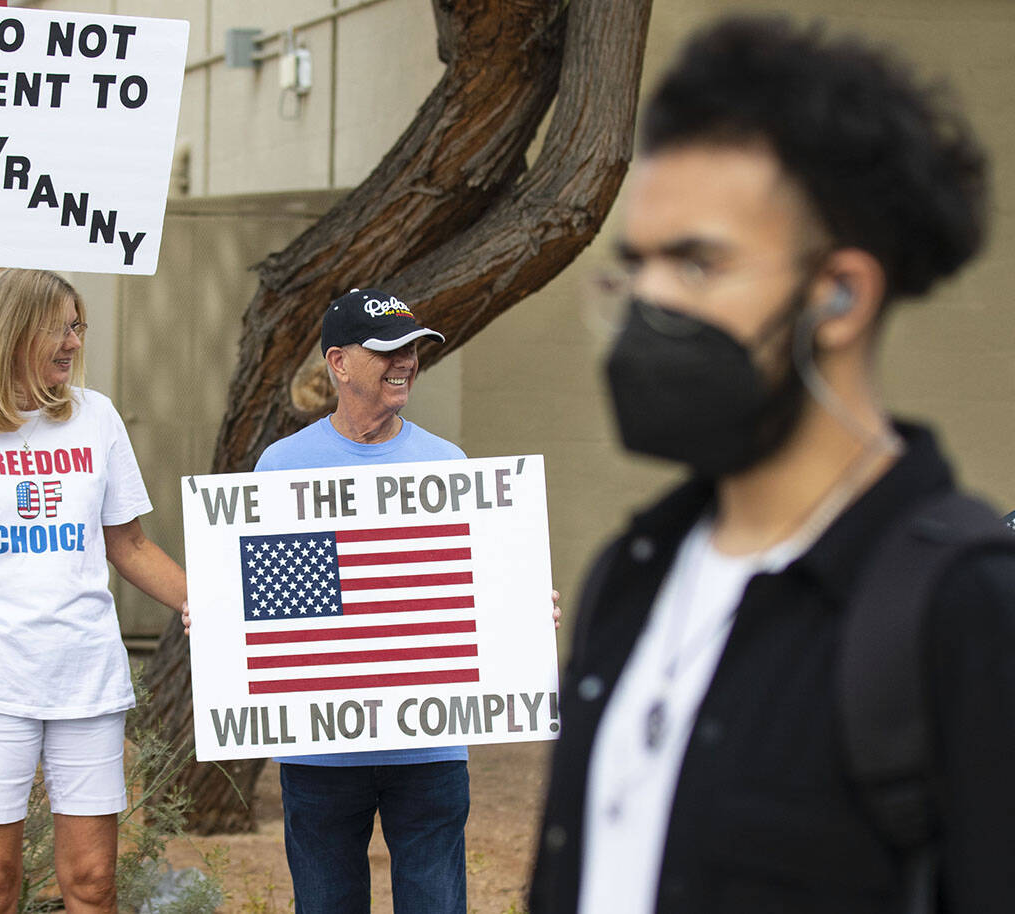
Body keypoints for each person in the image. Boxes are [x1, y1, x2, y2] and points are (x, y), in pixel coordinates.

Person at [530, 15, 1013, 914]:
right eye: (638, 266)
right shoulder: (629, 578)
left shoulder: (967, 607)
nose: (652, 302)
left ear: (840, 294)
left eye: (698, 262)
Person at [0, 268, 188, 914]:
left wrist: (203, 602)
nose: (75, 343)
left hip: (85, 677)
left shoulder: (96, 417)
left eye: (79, 327)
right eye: (61, 327)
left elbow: (129, 545)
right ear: (13, 330)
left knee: (92, 880)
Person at [255, 288, 558, 914]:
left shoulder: (447, 464)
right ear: (338, 362)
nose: (407, 362)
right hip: (320, 748)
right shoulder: (280, 469)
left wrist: (517, 608)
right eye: (388, 349)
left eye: (414, 349)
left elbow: (464, 590)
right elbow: (273, 604)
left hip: (429, 746)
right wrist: (224, 615)